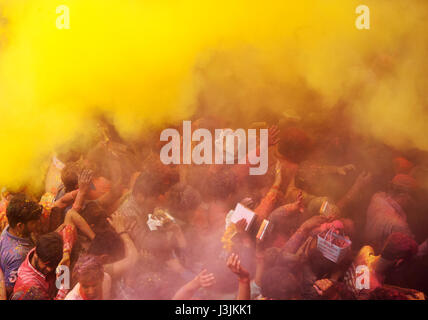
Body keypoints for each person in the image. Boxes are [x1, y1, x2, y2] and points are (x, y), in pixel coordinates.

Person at [343, 232, 418, 299]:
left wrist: (405, 291)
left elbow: (364, 282)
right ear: (399, 262)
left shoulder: (366, 250)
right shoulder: (372, 289)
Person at [364, 174, 419, 253]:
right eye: (412, 197)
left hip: (365, 250)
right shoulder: (399, 225)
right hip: (382, 260)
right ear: (404, 195)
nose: (412, 202)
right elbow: (412, 252)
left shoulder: (376, 198)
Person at [0, 197, 42, 297]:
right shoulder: (20, 255)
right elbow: (10, 289)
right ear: (20, 226)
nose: (37, 224)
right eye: (33, 223)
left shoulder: (9, 228)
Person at [11, 232, 68, 300]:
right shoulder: (30, 287)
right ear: (36, 255)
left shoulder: (43, 249)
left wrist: (66, 252)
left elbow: (69, 222)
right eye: (46, 264)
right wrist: (65, 277)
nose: (50, 269)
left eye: (53, 265)